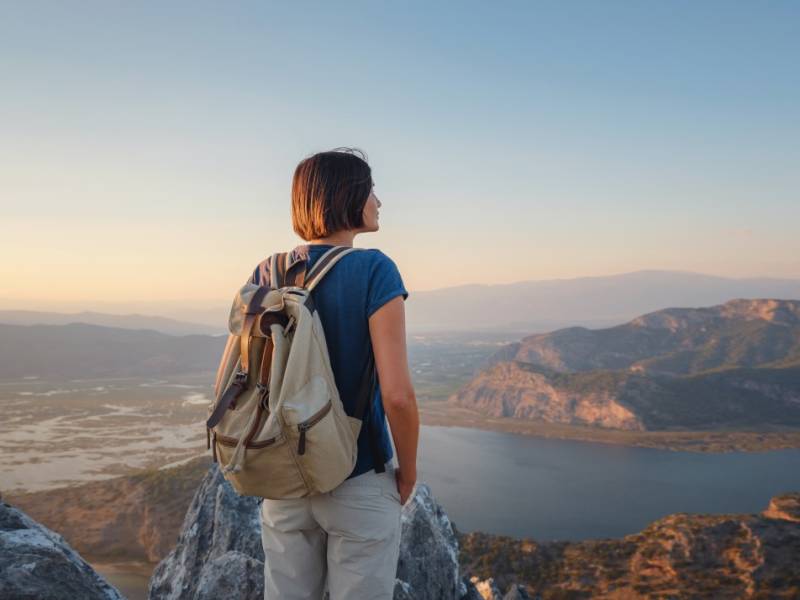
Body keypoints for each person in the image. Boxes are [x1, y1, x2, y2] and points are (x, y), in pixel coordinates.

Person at [252, 147, 420, 600]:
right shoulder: (374, 270)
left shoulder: (268, 271)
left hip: (284, 474)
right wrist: (408, 471)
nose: (379, 201)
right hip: (359, 475)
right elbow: (398, 395)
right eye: (371, 190)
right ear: (347, 196)